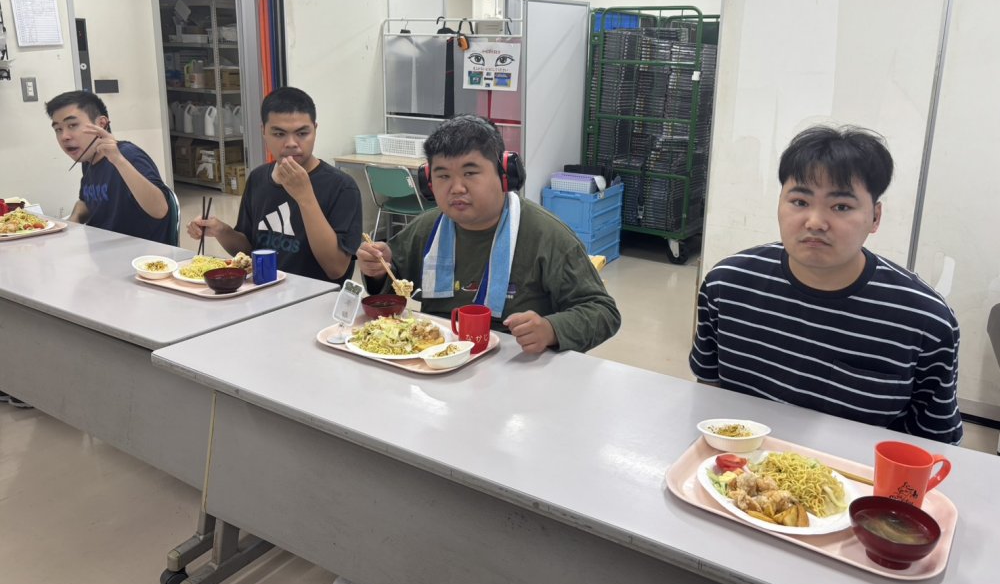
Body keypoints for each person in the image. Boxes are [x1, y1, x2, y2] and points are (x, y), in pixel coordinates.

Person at [689, 125, 963, 444]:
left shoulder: (926, 320)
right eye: (799, 201)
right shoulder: (727, 285)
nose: (815, 222)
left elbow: (935, 444)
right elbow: (709, 395)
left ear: (875, 217)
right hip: (742, 466)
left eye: (841, 207)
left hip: (856, 472)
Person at [357, 114, 621, 353]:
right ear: (428, 182)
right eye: (443, 176)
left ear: (505, 175)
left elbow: (603, 312)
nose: (456, 188)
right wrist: (377, 270)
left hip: (516, 364)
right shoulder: (426, 228)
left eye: (470, 173)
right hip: (438, 360)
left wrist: (551, 329)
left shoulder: (547, 236)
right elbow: (389, 289)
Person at [188, 86, 362, 285]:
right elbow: (250, 250)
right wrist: (220, 230)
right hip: (262, 291)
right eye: (279, 134)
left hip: (316, 297)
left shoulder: (342, 187)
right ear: (263, 131)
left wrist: (305, 197)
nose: (291, 143)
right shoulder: (258, 178)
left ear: (315, 130)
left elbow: (336, 269)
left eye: (302, 133)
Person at [45, 90, 172, 244]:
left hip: (137, 254)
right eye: (58, 129)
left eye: (72, 125)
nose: (64, 136)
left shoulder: (128, 155)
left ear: (101, 124)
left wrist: (118, 160)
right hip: (101, 249)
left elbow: (160, 210)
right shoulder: (88, 159)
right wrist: (75, 218)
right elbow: (86, 201)